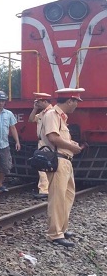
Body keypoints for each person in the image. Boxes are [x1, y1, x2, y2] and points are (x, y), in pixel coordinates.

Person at [39, 88, 84, 247]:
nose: (77, 105)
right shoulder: (52, 115)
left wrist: (71, 145)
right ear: (70, 100)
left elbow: (59, 137)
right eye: (76, 102)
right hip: (58, 160)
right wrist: (72, 147)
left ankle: (62, 228)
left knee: (67, 196)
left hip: (65, 160)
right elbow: (53, 137)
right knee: (58, 198)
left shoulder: (60, 117)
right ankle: (54, 234)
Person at [27, 92, 53, 199]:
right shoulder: (42, 113)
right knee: (42, 165)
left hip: (48, 143)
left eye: (39, 102)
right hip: (42, 142)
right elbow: (31, 119)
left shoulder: (51, 113)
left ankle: (45, 190)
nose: (37, 103)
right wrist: (34, 109)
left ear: (45, 101)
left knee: (45, 166)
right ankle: (45, 189)